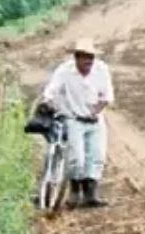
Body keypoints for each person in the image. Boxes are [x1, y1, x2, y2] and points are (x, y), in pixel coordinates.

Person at [41, 38, 114, 208]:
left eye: (91, 57)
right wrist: (49, 103)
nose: (88, 61)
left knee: (97, 156)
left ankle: (91, 193)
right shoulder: (65, 71)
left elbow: (107, 97)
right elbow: (51, 91)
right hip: (73, 118)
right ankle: (74, 191)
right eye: (84, 57)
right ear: (76, 57)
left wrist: (94, 112)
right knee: (76, 158)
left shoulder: (101, 70)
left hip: (95, 118)